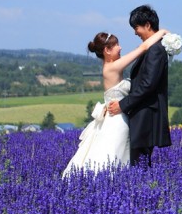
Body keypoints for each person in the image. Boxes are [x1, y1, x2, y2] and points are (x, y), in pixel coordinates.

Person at [62, 28, 168, 177]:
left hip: (117, 115)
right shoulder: (112, 67)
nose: (120, 48)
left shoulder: (110, 67)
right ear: (107, 50)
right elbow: (142, 48)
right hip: (117, 120)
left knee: (114, 153)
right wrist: (161, 32)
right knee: (115, 154)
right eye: (117, 45)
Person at [107, 5, 172, 167]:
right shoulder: (152, 48)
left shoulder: (155, 50)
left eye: (136, 27)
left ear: (148, 25)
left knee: (139, 162)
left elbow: (147, 85)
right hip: (141, 114)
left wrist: (122, 105)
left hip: (146, 116)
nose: (135, 32)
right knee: (139, 162)